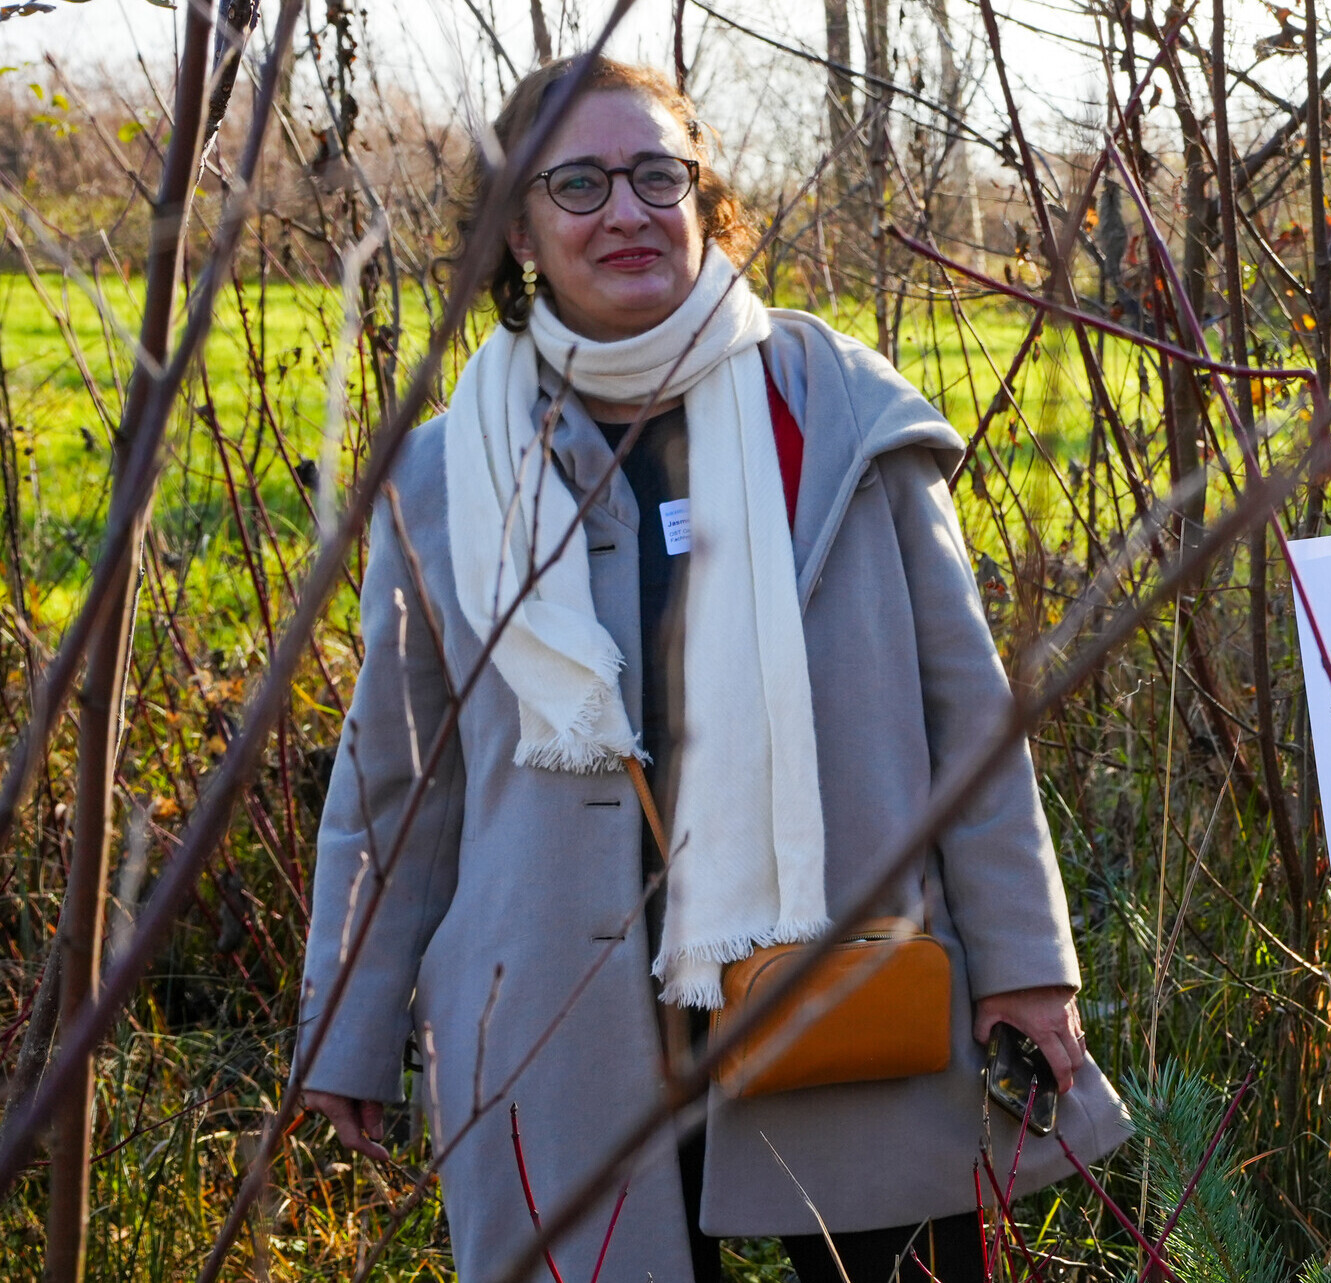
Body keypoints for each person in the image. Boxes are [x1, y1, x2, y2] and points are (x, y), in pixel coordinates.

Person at [294, 57, 1117, 1283]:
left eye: (655, 174)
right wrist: (347, 1026)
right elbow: (394, 783)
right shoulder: (442, 476)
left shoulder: (832, 408)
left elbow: (971, 717)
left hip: (842, 980)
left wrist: (1027, 962)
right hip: (559, 1030)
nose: (624, 211)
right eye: (576, 183)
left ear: (702, 195)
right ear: (516, 230)